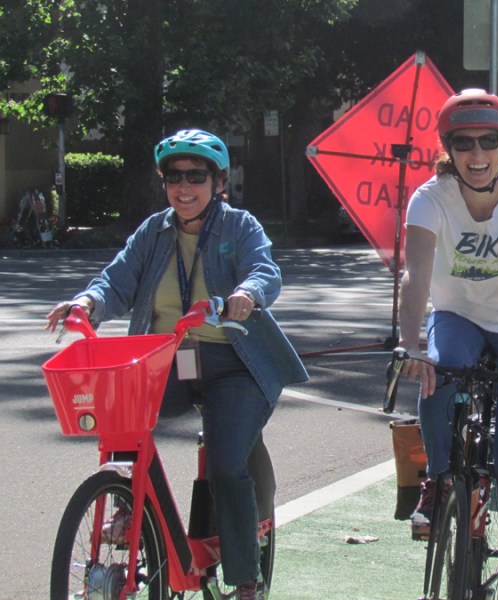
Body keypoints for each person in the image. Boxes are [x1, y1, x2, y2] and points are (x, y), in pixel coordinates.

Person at [45, 129, 308, 599]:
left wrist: (246, 295)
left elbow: (264, 270)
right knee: (121, 419)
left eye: (196, 177)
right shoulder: (154, 231)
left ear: (218, 182)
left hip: (234, 363)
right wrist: (85, 303)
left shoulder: (240, 226)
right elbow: (115, 280)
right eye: (174, 178)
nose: (184, 187)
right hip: (168, 360)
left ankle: (246, 579)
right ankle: (131, 497)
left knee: (227, 466)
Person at [398, 88, 498, 600]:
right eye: (463, 143)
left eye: (488, 141)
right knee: (439, 371)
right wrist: (411, 346)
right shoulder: (429, 198)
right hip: (459, 315)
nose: (476, 154)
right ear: (449, 149)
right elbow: (415, 277)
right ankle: (440, 477)